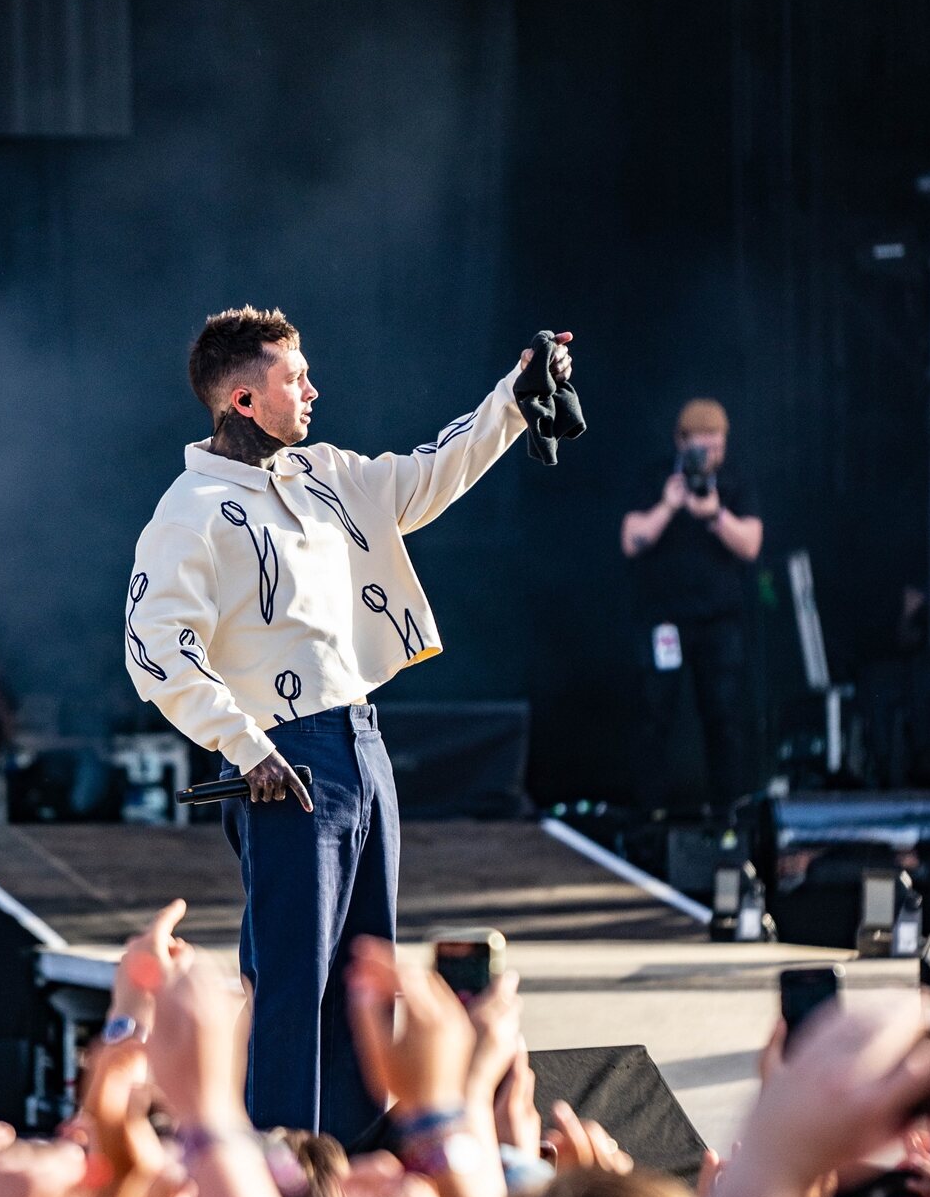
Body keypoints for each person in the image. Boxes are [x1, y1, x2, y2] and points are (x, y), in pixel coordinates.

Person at [124, 305, 574, 1144]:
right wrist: (244, 746)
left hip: (361, 742)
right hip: (283, 756)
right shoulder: (191, 510)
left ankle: (360, 1174)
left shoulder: (325, 473)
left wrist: (514, 398)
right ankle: (286, 1173)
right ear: (243, 399)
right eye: (294, 378)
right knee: (292, 983)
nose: (313, 391)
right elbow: (154, 649)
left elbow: (432, 472)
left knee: (369, 981)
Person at [620, 398, 763, 817]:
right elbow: (631, 541)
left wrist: (715, 514)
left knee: (724, 718)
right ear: (682, 443)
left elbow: (751, 545)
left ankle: (727, 813)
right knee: (654, 716)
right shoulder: (656, 479)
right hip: (664, 620)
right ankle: (650, 815)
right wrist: (669, 505)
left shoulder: (735, 482)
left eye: (717, 446)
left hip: (719, 622)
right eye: (703, 446)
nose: (711, 455)